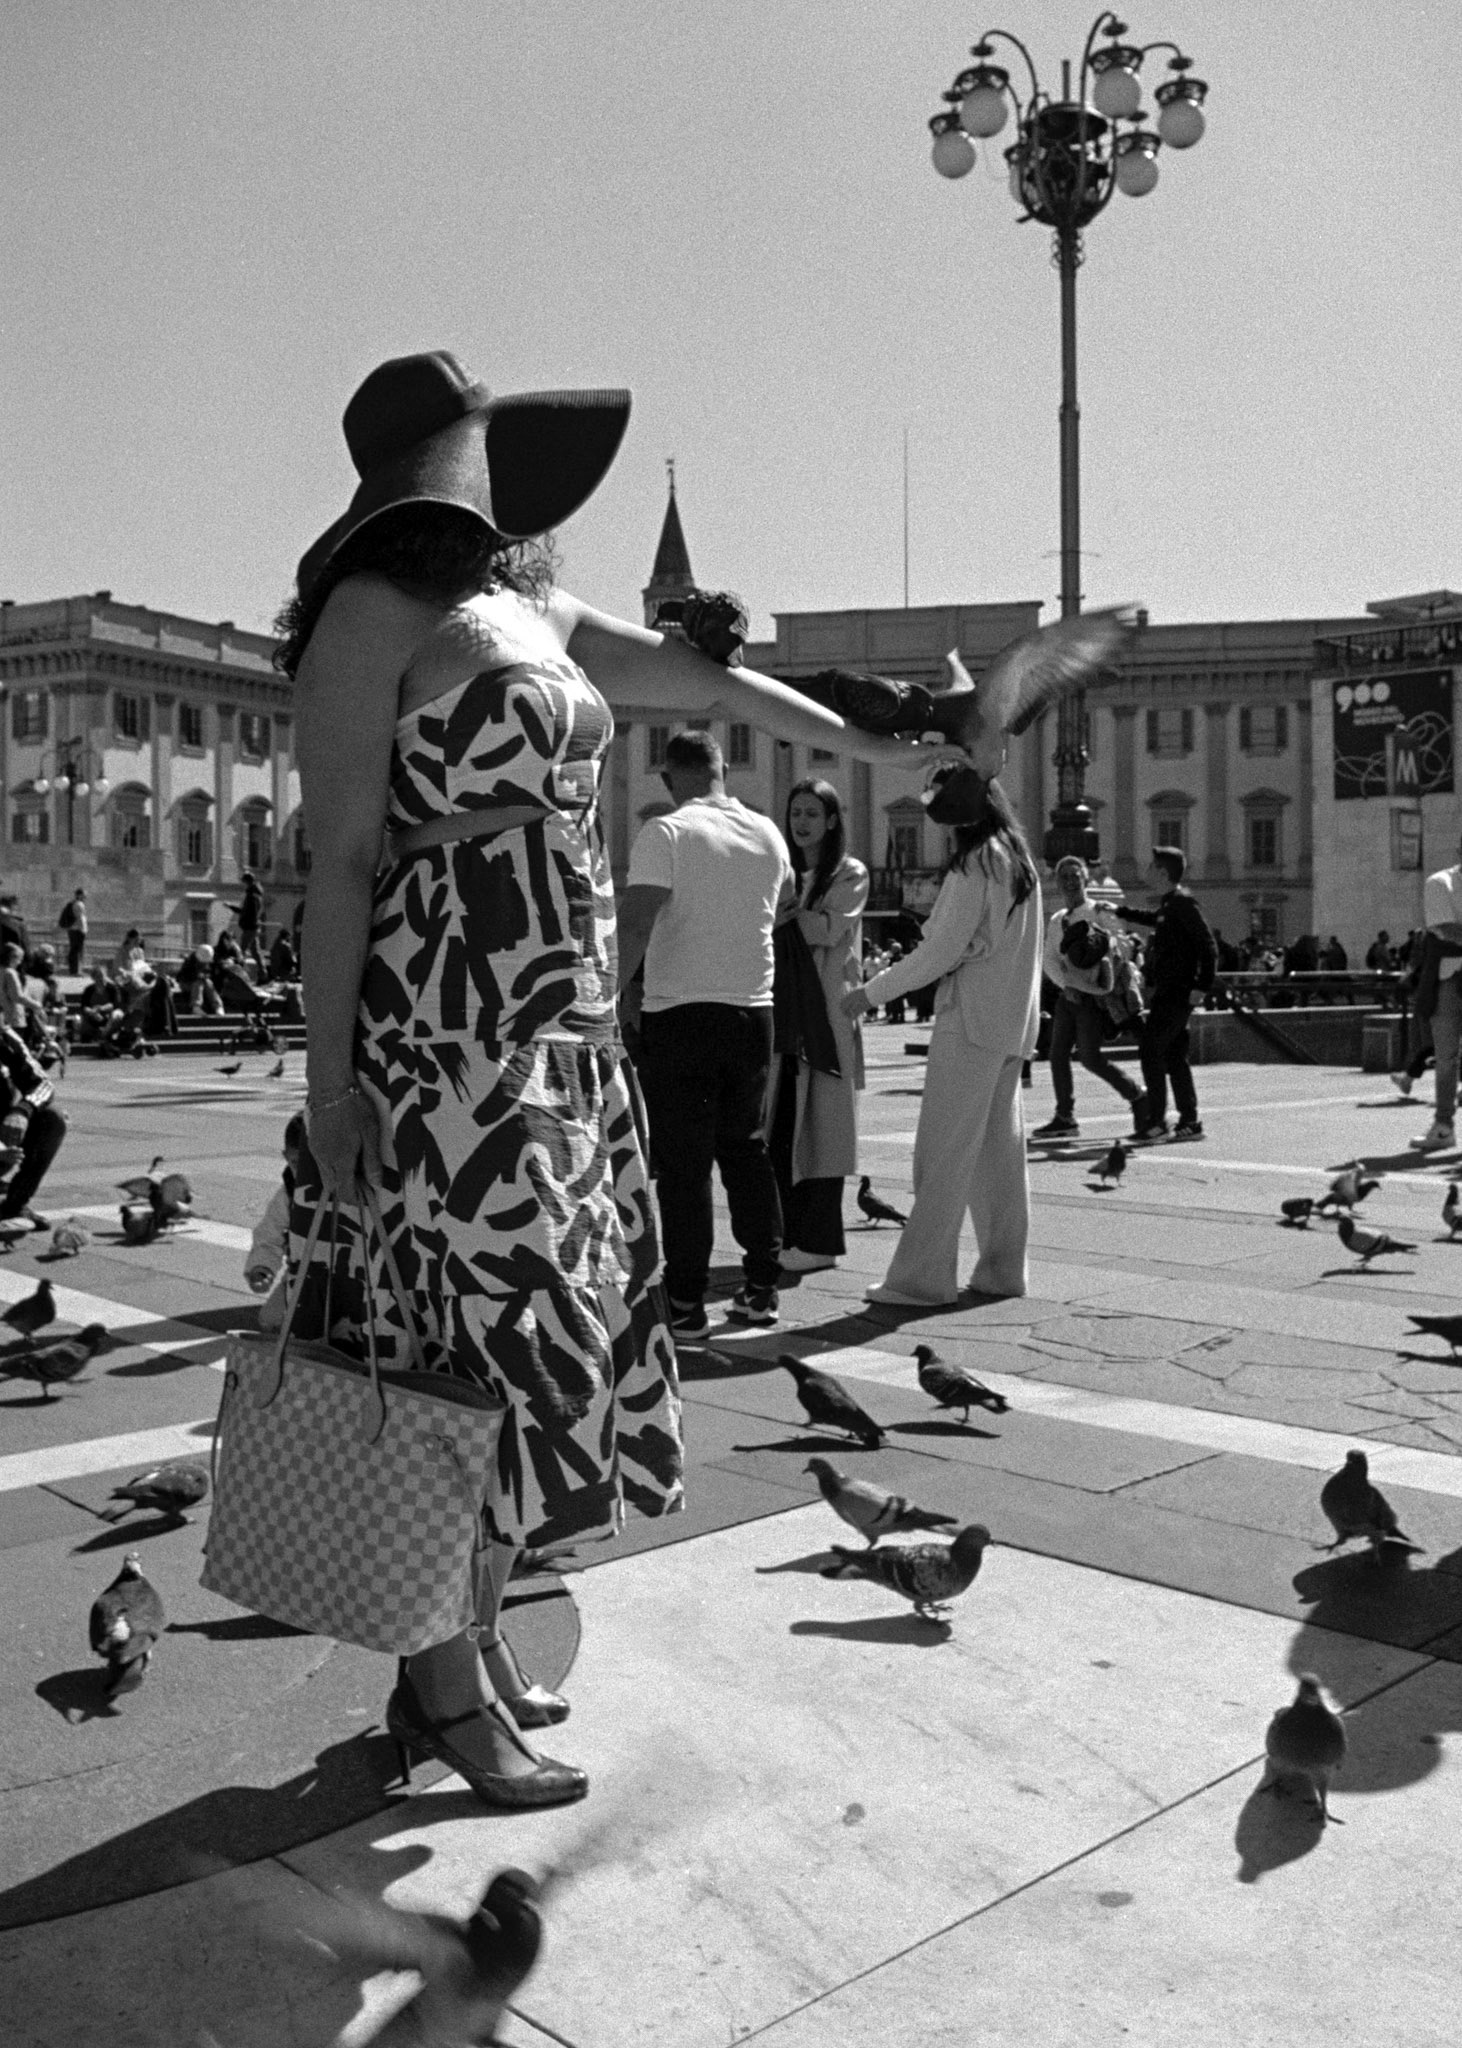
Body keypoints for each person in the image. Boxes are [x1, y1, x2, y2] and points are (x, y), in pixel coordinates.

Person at [278, 348, 921, 1810]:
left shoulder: (533, 610)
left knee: (548, 1338)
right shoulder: (372, 617)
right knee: (471, 1342)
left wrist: (867, 723)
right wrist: (331, 1091)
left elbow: (706, 682)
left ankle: (461, 1644)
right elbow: (342, 865)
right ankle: (443, 1685)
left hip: (561, 1024)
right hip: (444, 1025)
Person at [618, 729, 794, 1332]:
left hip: (680, 1012)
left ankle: (687, 1301)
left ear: (670, 777)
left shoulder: (666, 831)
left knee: (685, 1165)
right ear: (723, 771)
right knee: (747, 1151)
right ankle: (762, 1289)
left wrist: (609, 996)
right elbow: (787, 898)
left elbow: (635, 924)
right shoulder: (767, 833)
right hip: (753, 1010)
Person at [843, 776, 1043, 1305]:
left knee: (942, 1155)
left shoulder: (975, 863)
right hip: (1010, 1024)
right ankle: (1003, 1271)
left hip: (970, 1019)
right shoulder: (1017, 858)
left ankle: (922, 1280)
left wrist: (870, 993)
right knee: (1001, 1160)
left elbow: (940, 952)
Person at [766, 778, 868, 1276]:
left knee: (825, 1131)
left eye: (811, 813)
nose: (801, 822)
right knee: (782, 1125)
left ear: (830, 821)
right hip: (783, 1013)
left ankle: (820, 1242)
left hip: (826, 1016)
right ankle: (787, 1235)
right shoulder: (780, 871)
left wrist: (781, 915)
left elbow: (828, 929)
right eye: (795, 813)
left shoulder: (849, 873)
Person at [1032, 855, 1145, 1140]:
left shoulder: (1098, 911)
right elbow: (1049, 958)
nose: (1070, 882)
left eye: (1075, 876)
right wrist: (1066, 985)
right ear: (1058, 882)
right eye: (1065, 877)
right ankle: (1065, 1116)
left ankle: (1137, 1094)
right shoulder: (1057, 920)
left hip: (1093, 999)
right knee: (1057, 1055)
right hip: (1068, 997)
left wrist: (1097, 972)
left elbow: (1121, 948)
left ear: (1085, 879)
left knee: (1090, 1058)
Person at [1117, 847, 1217, 1142]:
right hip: (1169, 992)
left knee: (1151, 1050)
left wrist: (1202, 986)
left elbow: (1208, 946)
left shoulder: (1182, 903)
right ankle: (1189, 1122)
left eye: (1152, 866)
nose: (1147, 870)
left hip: (1177, 993)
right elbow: (1155, 919)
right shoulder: (1170, 904)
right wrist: (1121, 911)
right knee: (1174, 1058)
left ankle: (1157, 1122)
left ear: (1162, 872)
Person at [1408, 831, 1462, 1152]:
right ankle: (1443, 1127)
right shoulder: (1440, 883)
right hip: (1448, 979)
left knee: (1447, 1058)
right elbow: (1446, 929)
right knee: (1446, 1057)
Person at [0, 1021, 66, 1230]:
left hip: (4, 1143)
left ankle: (14, 1205)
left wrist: (23, 1110)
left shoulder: (5, 1039)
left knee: (52, 1118)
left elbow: (43, 1084)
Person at [245, 1113, 306, 1332]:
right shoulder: (288, 1193)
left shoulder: (346, 1189)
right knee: (272, 1320)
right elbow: (269, 1235)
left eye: (311, 1164)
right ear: (286, 1157)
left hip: (352, 1277)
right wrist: (262, 1268)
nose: (304, 1172)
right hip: (306, 1274)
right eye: (296, 1163)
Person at [177, 943, 223, 1014]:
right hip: (187, 984)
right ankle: (196, 1006)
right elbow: (181, 977)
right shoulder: (190, 961)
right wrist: (197, 976)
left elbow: (214, 974)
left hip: (203, 983)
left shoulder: (212, 962)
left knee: (208, 983)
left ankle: (218, 1006)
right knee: (198, 982)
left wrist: (205, 976)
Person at [237, 873, 265, 974]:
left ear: (247, 882)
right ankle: (263, 973)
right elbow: (248, 911)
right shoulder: (255, 894)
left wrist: (248, 924)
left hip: (250, 928)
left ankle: (239, 972)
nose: (243, 884)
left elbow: (250, 912)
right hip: (253, 927)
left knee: (241, 950)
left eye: (243, 882)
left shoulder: (251, 895)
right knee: (255, 952)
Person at [58, 887, 87, 975]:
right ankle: (76, 971)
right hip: (78, 930)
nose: (85, 896)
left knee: (74, 950)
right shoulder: (79, 904)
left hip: (72, 930)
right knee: (77, 950)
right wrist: (83, 930)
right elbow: (80, 918)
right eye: (84, 894)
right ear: (79, 895)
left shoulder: (73, 903)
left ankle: (73, 970)